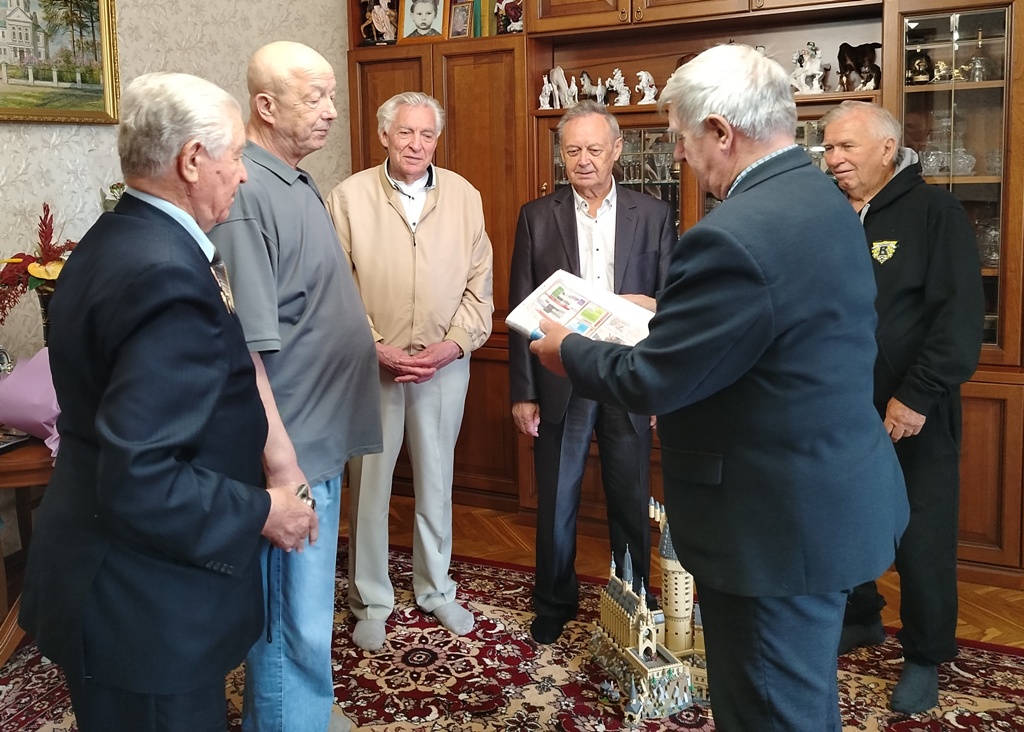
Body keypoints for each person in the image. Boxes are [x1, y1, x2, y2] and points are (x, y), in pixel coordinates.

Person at [528, 44, 909, 731]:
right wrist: (668, 316)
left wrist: (569, 352)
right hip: (825, 494)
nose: (679, 154)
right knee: (797, 700)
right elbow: (769, 327)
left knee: (767, 707)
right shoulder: (819, 197)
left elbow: (653, 379)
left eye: (681, 137)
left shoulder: (734, 233)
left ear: (721, 131)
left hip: (771, 523)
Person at [18, 71, 317, 732]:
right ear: (192, 160)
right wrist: (265, 510)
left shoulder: (114, 236)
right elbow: (144, 478)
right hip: (142, 607)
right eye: (235, 155)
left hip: (110, 576)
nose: (243, 174)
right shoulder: (165, 277)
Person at [208, 42, 383, 732]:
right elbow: (247, 351)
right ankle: (286, 720)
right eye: (315, 98)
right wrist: (281, 469)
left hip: (320, 436)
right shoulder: (248, 195)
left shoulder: (294, 178)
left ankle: (302, 709)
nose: (332, 111)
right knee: (290, 614)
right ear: (265, 106)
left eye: (331, 96)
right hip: (294, 450)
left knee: (307, 607)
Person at [821, 100, 984, 715]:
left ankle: (924, 654)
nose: (834, 159)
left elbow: (958, 318)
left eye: (846, 147)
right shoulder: (830, 213)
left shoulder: (935, 212)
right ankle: (861, 616)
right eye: (828, 148)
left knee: (921, 536)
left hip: (915, 409)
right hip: (840, 405)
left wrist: (916, 396)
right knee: (844, 519)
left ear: (888, 149)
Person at [325, 91, 493, 653]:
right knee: (369, 486)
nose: (417, 144)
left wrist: (453, 346)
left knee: (437, 481)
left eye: (427, 134)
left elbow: (480, 287)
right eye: (405, 132)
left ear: (436, 140)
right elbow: (336, 286)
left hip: (443, 367)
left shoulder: (465, 196)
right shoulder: (348, 198)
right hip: (372, 365)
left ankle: (436, 588)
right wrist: (374, 346)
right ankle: (371, 600)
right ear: (384, 136)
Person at [508, 100, 675, 645]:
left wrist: (660, 387)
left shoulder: (653, 214)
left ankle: (635, 597)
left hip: (629, 377)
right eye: (573, 149)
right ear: (561, 154)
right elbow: (521, 308)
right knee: (557, 498)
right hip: (561, 377)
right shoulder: (537, 216)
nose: (584, 160)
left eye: (594, 149)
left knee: (630, 498)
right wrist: (523, 391)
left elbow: (671, 304)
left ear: (617, 150)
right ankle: (553, 600)